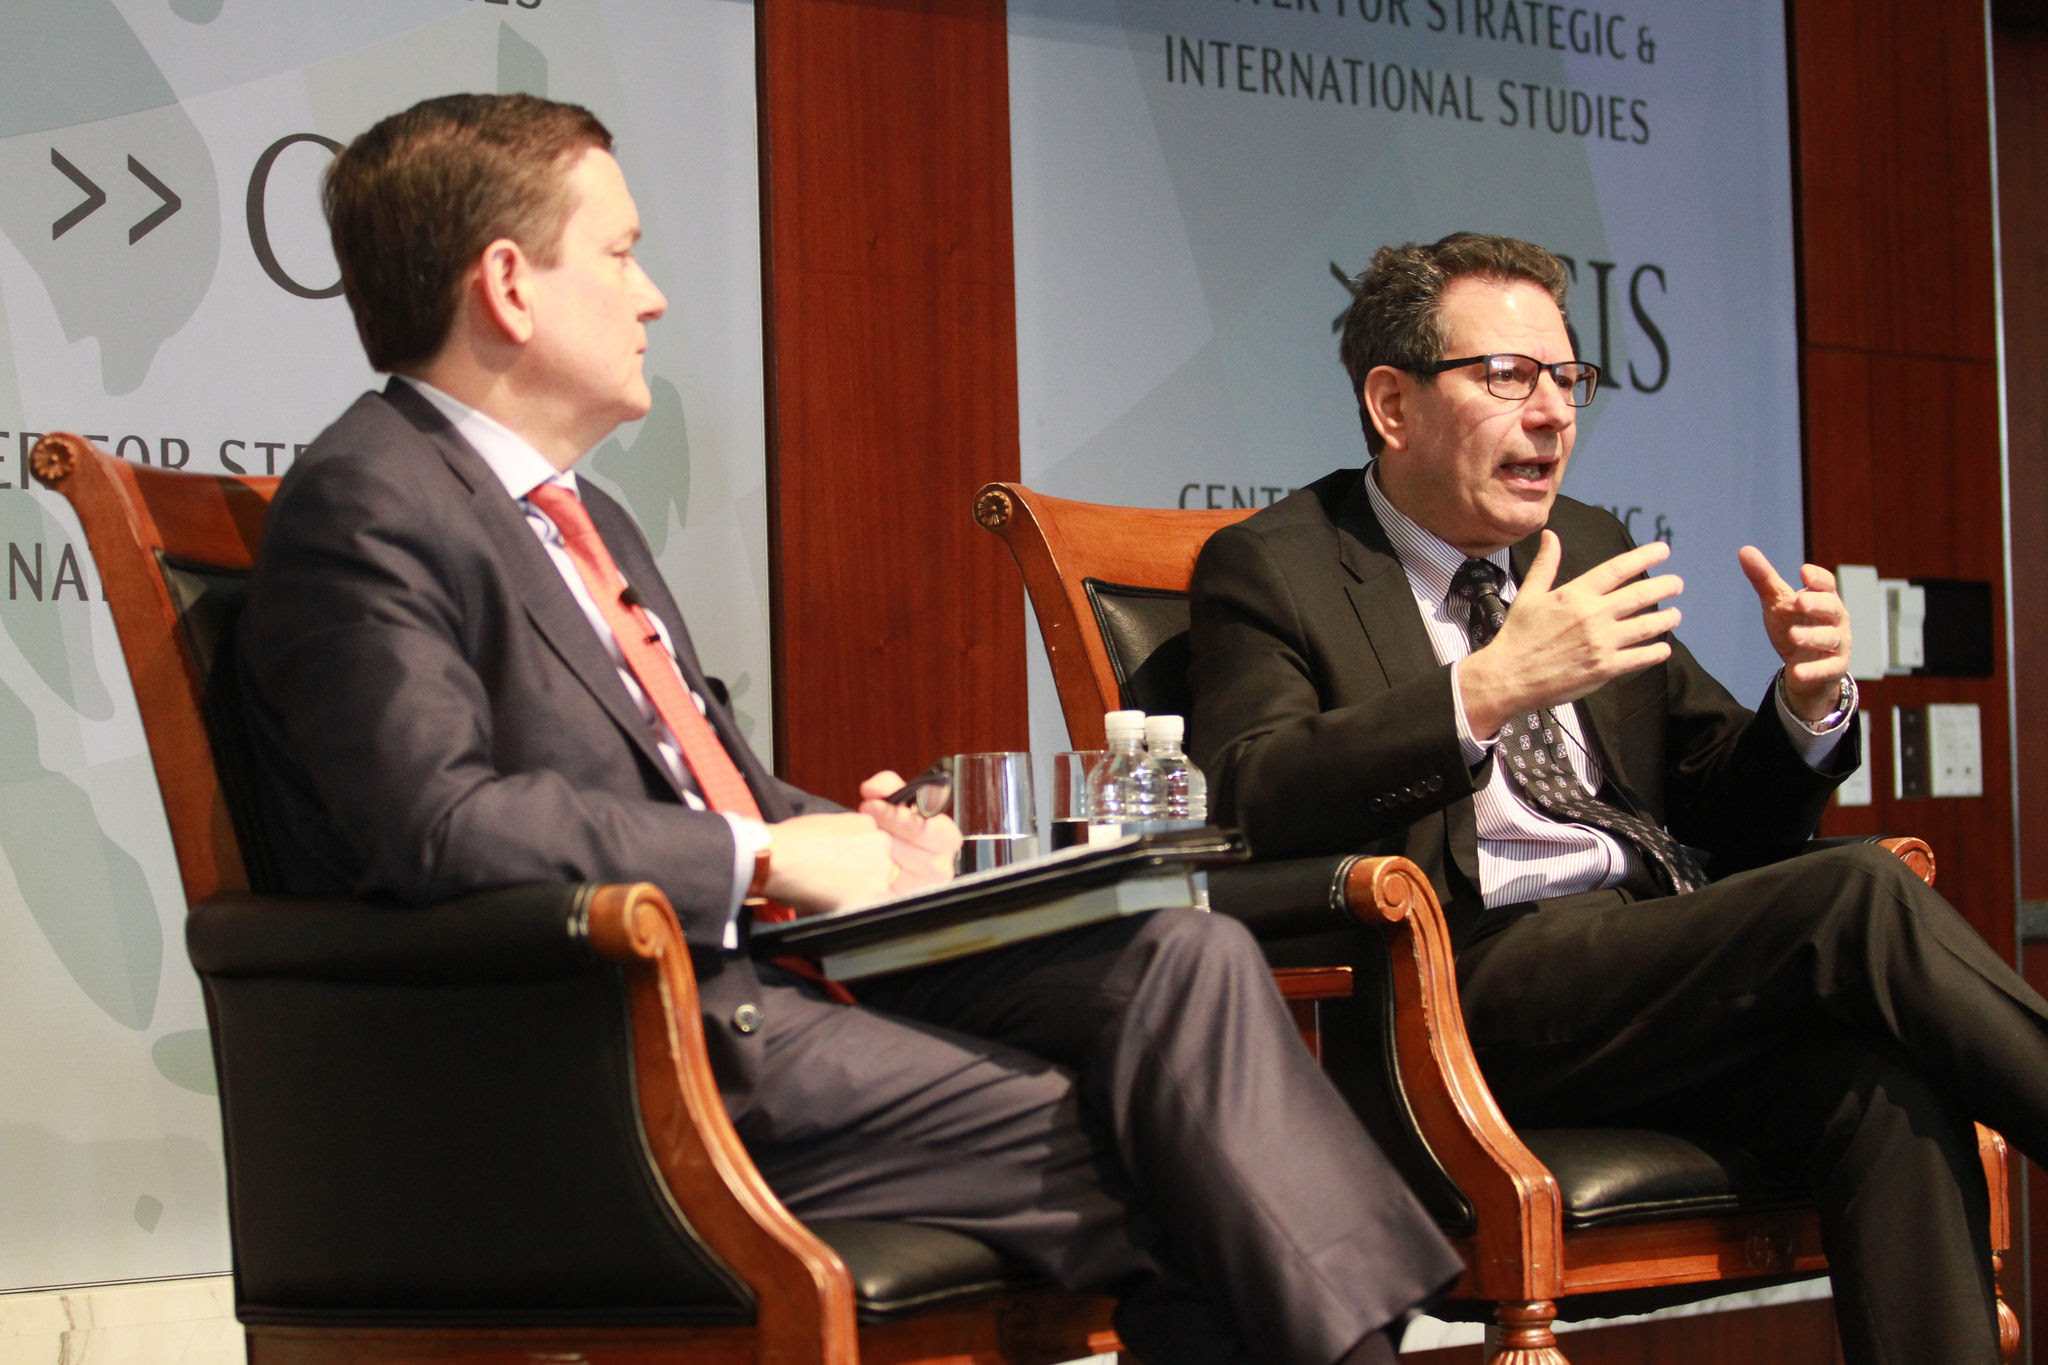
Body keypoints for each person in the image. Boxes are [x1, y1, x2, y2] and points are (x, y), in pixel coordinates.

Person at [234, 93, 1461, 1365]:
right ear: (508, 286)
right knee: (1191, 1145)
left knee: (1181, 957)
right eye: (619, 253)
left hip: (777, 984)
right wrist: (764, 857)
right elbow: (436, 824)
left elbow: (705, 788)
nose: (652, 296)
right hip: (618, 1056)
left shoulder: (582, 519)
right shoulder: (370, 503)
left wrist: (862, 841)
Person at [1186, 230, 2048, 1362]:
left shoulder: (1582, 543)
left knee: (1878, 1090)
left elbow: (1720, 811)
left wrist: (1805, 705)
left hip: (1642, 967)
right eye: (1508, 376)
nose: (1552, 414)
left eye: (1566, 377)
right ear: (1391, 404)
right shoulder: (1277, 565)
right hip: (1461, 988)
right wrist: (1481, 693)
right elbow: (1244, 796)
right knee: (1859, 891)